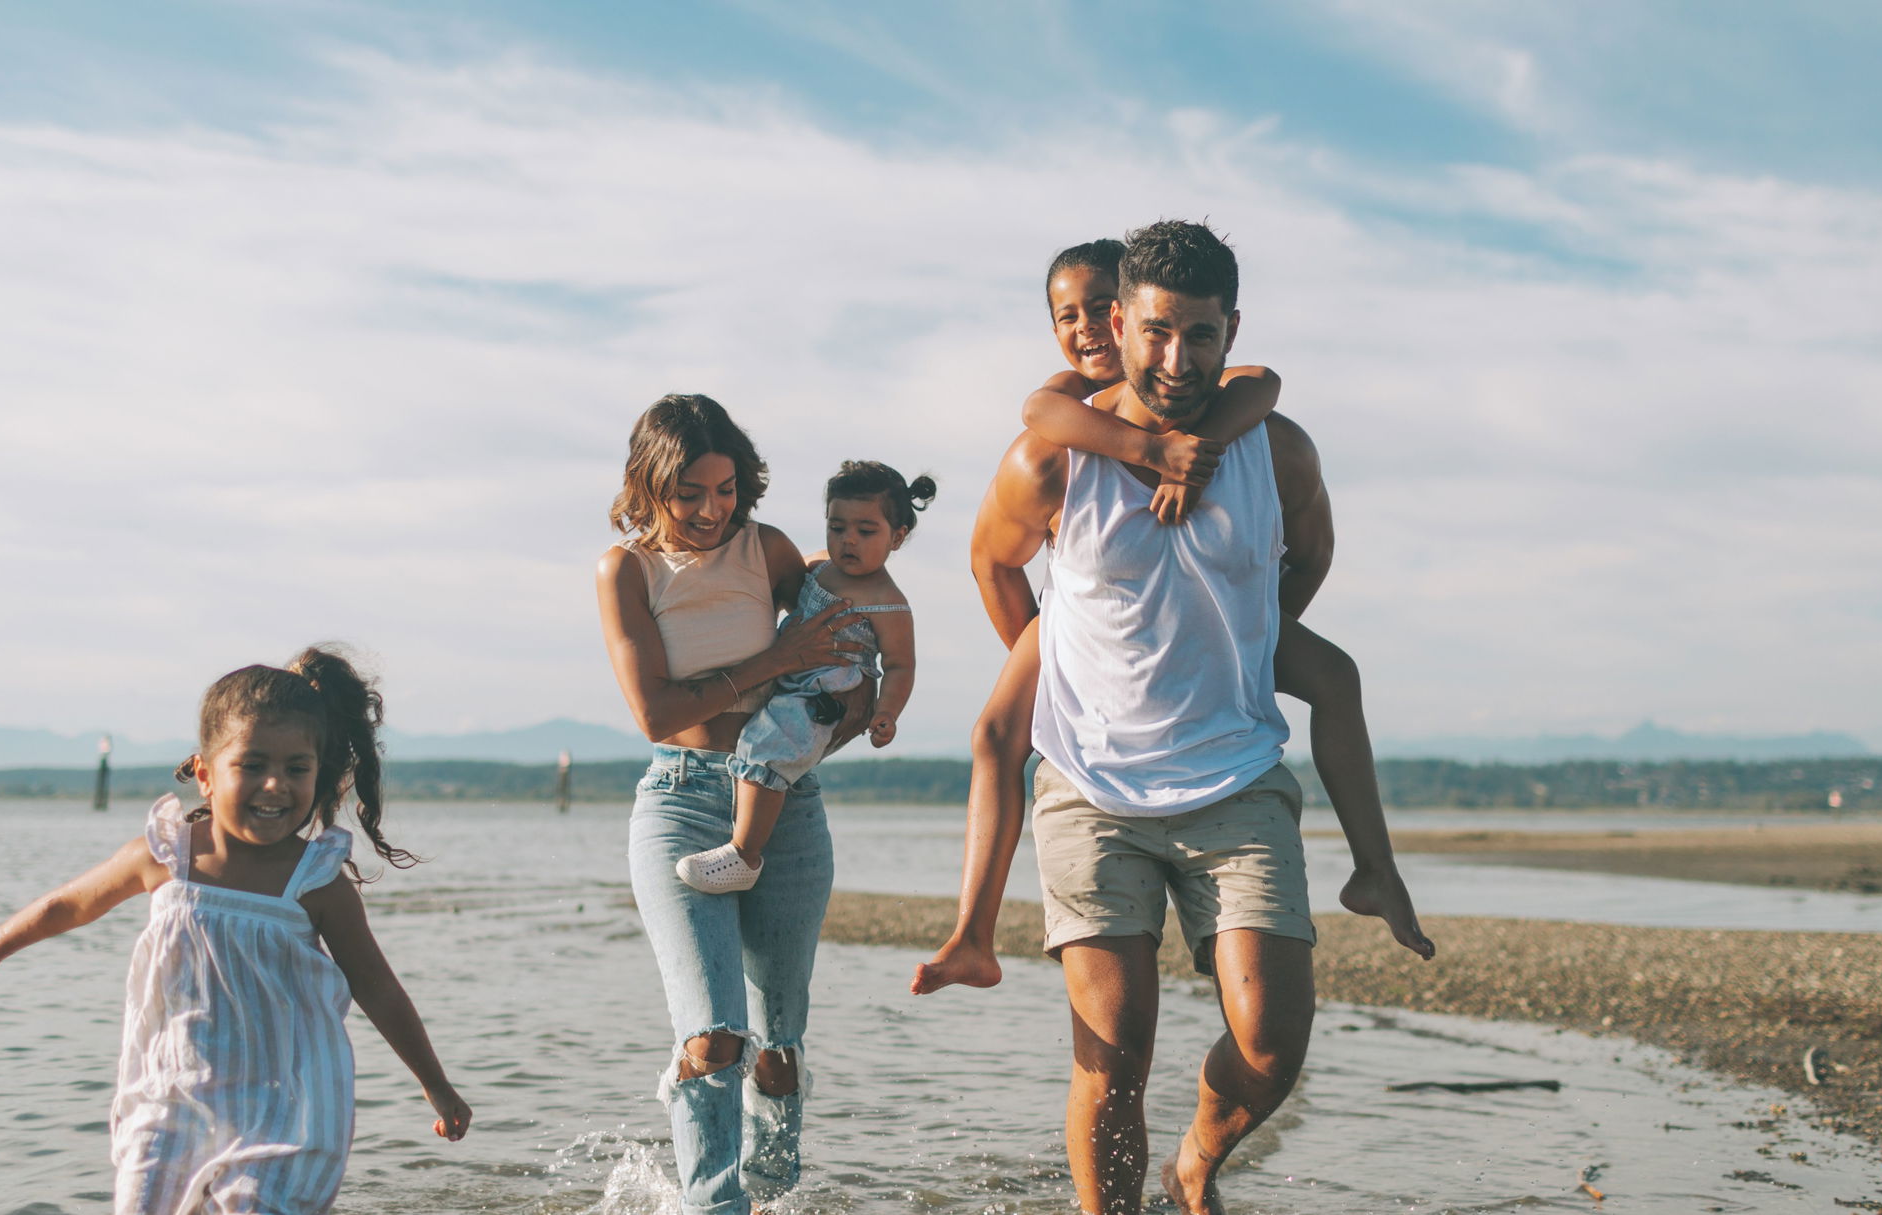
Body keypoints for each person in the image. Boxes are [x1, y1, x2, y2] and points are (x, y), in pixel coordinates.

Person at [916, 220, 1398, 1215]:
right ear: (1119, 328)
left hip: (1236, 778)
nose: (1177, 358)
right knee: (1114, 1050)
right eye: (1156, 332)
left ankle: (1196, 1164)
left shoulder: (1278, 450)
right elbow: (991, 561)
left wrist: (1236, 638)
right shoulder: (1050, 461)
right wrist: (1053, 656)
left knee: (1271, 1042)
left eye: (1201, 335)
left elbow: (1306, 558)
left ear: (1231, 334)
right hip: (1089, 788)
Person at [0, 646, 470, 1215]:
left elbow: (377, 987)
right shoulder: (165, 856)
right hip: (170, 1103)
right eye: (252, 765)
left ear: (318, 773)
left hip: (286, 1113)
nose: (275, 785)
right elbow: (69, 907)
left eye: (296, 768)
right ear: (205, 772)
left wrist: (435, 1083)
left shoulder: (316, 881)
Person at [596, 394, 870, 1214]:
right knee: (715, 1037)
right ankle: (714, 1204)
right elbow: (657, 712)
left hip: (786, 804)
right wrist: (775, 659)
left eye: (726, 490)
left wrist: (841, 714)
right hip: (679, 801)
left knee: (776, 1047)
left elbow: (848, 645)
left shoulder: (771, 550)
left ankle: (775, 1194)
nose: (712, 510)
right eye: (690, 492)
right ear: (650, 486)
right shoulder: (627, 570)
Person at [676, 460, 935, 893]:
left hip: (822, 696)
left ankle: (745, 854)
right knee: (753, 743)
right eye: (837, 527)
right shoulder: (816, 568)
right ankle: (742, 833)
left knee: (766, 750)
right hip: (786, 678)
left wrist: (887, 711)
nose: (848, 540)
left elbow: (901, 665)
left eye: (866, 532)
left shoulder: (888, 603)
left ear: (898, 536)